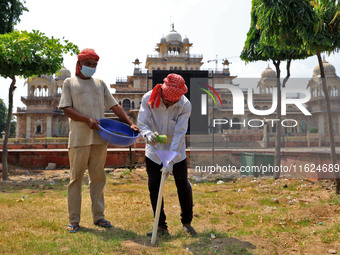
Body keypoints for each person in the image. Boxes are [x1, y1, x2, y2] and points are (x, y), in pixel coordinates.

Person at [59, 48, 139, 233]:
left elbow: (114, 105)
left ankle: (99, 217)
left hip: (100, 138)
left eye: (95, 65)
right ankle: (74, 220)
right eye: (89, 64)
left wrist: (130, 123)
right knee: (76, 179)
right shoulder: (69, 83)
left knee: (98, 178)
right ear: (80, 64)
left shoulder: (100, 83)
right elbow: (66, 108)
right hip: (79, 138)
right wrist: (87, 120)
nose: (92, 68)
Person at [138, 73, 196, 237]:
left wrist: (170, 160)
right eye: (167, 100)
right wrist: (149, 136)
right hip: (154, 152)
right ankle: (161, 226)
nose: (170, 103)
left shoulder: (185, 105)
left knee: (183, 185)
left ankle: (187, 223)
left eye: (173, 101)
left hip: (176, 151)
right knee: (154, 186)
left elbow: (180, 133)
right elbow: (143, 123)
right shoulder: (148, 99)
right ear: (162, 93)